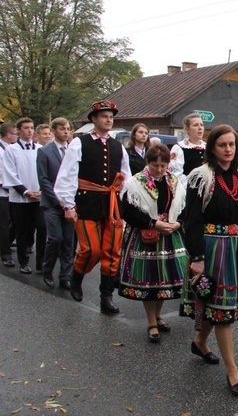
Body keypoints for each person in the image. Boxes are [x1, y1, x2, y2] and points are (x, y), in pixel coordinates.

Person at [180, 124, 238, 398]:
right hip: (213, 248)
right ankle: (233, 371)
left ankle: (200, 341)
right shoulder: (200, 177)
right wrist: (198, 257)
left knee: (219, 305)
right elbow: (192, 220)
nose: (229, 150)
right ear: (212, 148)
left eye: (232, 145)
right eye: (222, 145)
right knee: (223, 310)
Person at [55, 100, 131, 314]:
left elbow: (126, 178)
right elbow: (68, 174)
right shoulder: (80, 143)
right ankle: (76, 275)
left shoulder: (118, 147)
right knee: (91, 249)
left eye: (111, 116)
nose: (109, 119)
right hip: (87, 202)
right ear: (94, 119)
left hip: (112, 205)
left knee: (112, 252)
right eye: (104, 116)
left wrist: (129, 202)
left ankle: (106, 297)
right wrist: (68, 204)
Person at [118, 144, 188, 343]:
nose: (159, 169)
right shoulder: (135, 183)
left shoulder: (174, 181)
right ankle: (151, 322)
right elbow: (128, 212)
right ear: (147, 163)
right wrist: (153, 223)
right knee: (150, 281)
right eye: (154, 165)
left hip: (169, 234)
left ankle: (158, 316)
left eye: (163, 165)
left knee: (164, 280)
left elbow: (183, 206)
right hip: (146, 235)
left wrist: (178, 223)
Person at [37, 117, 75, 289]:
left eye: (67, 129)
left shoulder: (73, 151)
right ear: (54, 131)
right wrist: (58, 200)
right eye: (62, 129)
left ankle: (65, 276)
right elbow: (43, 179)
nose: (66, 132)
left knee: (69, 240)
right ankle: (47, 269)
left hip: (70, 203)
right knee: (55, 238)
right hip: (52, 203)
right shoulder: (45, 152)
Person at [3, 117, 44, 275]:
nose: (30, 130)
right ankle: (23, 261)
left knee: (42, 227)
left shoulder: (40, 149)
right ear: (18, 131)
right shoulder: (11, 150)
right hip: (20, 198)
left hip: (39, 196)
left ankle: (41, 262)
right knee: (22, 230)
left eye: (32, 127)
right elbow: (10, 173)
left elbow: (43, 172)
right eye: (26, 128)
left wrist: (41, 190)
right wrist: (26, 191)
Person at [0, 123, 19, 267]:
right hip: (3, 192)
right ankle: (5, 254)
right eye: (15, 134)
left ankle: (7, 243)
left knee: (15, 221)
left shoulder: (12, 149)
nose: (17, 136)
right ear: (8, 135)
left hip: (14, 191)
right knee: (4, 224)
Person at [170, 113, 206, 186]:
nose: (200, 128)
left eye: (201, 125)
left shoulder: (208, 147)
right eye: (196, 125)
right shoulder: (179, 148)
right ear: (187, 129)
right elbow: (175, 174)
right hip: (188, 190)